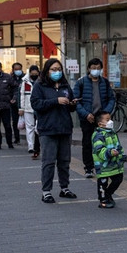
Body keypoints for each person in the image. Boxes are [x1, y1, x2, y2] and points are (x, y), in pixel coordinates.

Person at [30, 58, 79, 204]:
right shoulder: (40, 86)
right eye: (53, 69)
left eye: (59, 69)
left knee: (64, 161)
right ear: (47, 70)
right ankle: (46, 191)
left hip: (64, 128)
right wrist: (55, 101)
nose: (57, 72)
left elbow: (70, 106)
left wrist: (72, 104)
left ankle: (64, 188)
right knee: (49, 161)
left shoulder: (65, 85)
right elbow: (36, 104)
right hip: (48, 129)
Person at [73, 58, 116, 178]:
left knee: (105, 142)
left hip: (101, 118)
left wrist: (106, 113)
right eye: (93, 68)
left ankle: (103, 165)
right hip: (87, 118)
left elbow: (111, 99)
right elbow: (75, 101)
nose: (96, 70)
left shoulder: (105, 82)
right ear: (88, 69)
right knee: (87, 143)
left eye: (98, 68)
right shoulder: (81, 82)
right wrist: (86, 114)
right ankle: (88, 167)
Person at [92, 110, 126, 209]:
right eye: (107, 120)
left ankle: (108, 194)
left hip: (115, 163)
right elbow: (99, 150)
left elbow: (118, 146)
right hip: (103, 165)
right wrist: (109, 153)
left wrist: (121, 156)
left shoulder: (112, 133)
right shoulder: (98, 135)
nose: (110, 121)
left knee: (118, 179)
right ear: (100, 124)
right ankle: (103, 200)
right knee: (102, 183)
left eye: (110, 119)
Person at [19, 65, 41, 159]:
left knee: (37, 127)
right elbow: (22, 95)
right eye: (33, 73)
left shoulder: (41, 81)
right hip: (28, 108)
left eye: (36, 73)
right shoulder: (25, 81)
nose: (34, 75)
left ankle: (37, 146)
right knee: (29, 128)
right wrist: (21, 108)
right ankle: (31, 146)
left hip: (39, 107)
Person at [10, 62, 24, 145]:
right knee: (15, 121)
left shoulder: (25, 78)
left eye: (19, 69)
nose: (18, 71)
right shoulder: (10, 78)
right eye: (16, 69)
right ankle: (17, 137)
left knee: (28, 121)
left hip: (23, 103)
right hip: (14, 103)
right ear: (13, 70)